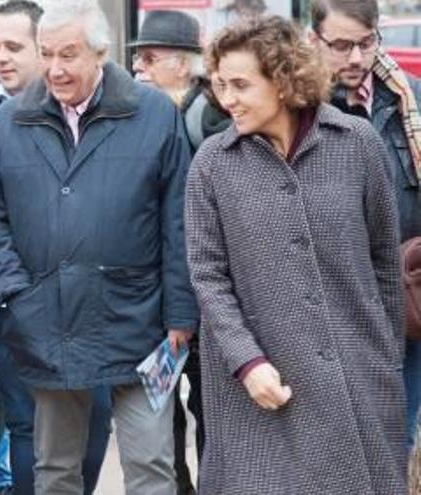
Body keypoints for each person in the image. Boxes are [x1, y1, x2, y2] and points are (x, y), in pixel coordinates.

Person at [0, 0, 198, 493]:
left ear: (100, 53)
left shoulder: (153, 113)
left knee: (152, 466)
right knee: (55, 469)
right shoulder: (9, 122)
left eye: (68, 54)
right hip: (47, 316)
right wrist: (15, 293)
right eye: (46, 53)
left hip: (140, 319)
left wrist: (181, 315)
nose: (54, 68)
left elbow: (180, 221)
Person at [186, 15, 406, 494]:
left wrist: (383, 357)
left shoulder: (357, 144)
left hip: (356, 380)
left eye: (241, 84)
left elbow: (385, 264)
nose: (228, 99)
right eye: (221, 84)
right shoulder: (212, 164)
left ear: (283, 80)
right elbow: (207, 277)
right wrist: (247, 362)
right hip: (261, 390)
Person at [0, 2, 110, 494]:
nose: (0, 58)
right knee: (27, 423)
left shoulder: (88, 114)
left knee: (94, 421)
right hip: (4, 302)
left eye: (13, 47)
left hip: (86, 302)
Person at [308, 0, 421, 445]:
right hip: (330, 306)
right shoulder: (295, 107)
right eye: (340, 45)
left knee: (397, 437)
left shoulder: (411, 99)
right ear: (314, 41)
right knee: (336, 445)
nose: (356, 58)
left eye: (367, 42)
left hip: (405, 302)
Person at [128, 10, 231, 495]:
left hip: (207, 293)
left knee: (210, 411)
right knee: (159, 415)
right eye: (136, 58)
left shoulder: (208, 115)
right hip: (160, 294)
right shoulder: (146, 113)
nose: (139, 68)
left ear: (186, 65)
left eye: (150, 58)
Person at [131, 10, 231, 151]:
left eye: (149, 59)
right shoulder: (151, 109)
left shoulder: (204, 117)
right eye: (137, 57)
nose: (136, 67)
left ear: (183, 66)